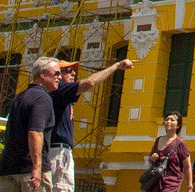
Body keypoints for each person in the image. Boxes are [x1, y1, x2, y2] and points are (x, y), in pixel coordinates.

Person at [48, 57, 133, 192]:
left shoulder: (64, 96)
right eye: (68, 71)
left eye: (74, 71)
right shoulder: (59, 90)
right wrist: (116, 66)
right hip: (57, 153)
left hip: (59, 151)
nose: (74, 74)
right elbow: (90, 82)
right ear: (57, 75)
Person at [0, 56, 60, 192]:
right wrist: (37, 167)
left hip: (8, 168)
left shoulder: (20, 97)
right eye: (56, 73)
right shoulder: (43, 98)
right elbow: (35, 132)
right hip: (29, 170)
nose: (60, 77)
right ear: (43, 74)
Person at [147, 112, 191, 192]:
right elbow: (150, 160)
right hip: (155, 183)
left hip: (171, 184)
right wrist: (152, 158)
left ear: (178, 125)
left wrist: (189, 186)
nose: (168, 122)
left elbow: (187, 166)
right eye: (167, 119)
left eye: (172, 120)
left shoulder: (181, 144)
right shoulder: (158, 140)